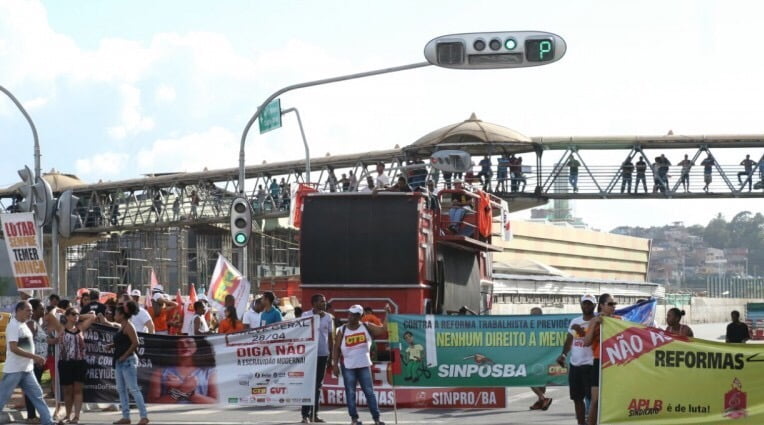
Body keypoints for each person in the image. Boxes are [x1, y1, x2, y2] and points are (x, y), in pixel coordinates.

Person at [332, 305, 387, 425]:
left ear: (360, 316)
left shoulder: (366, 326)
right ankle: (354, 419)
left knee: (369, 392)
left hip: (364, 365)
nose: (351, 316)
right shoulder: (342, 330)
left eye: (354, 314)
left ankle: (376, 419)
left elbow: (383, 330)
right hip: (348, 366)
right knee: (350, 392)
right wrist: (334, 365)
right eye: (350, 313)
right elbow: (336, 348)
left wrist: (388, 314)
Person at [0, 301, 53, 425]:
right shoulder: (13, 325)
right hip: (15, 370)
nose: (31, 313)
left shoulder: (24, 324)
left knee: (38, 395)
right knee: (2, 397)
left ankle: (48, 421)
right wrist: (35, 356)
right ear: (18, 311)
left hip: (27, 369)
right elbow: (14, 348)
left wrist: (33, 359)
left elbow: (26, 345)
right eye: (28, 310)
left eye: (31, 310)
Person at [47, 306, 98, 424]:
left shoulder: (80, 327)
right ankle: (67, 416)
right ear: (67, 316)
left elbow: (92, 316)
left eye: (77, 315)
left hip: (79, 362)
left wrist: (78, 315)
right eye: (73, 314)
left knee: (78, 390)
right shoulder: (61, 328)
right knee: (67, 391)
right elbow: (50, 315)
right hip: (65, 363)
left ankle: (76, 416)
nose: (76, 317)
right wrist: (59, 310)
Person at [104, 301, 149, 425]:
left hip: (128, 361)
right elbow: (123, 341)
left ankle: (144, 416)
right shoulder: (121, 326)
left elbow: (135, 343)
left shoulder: (129, 326)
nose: (114, 316)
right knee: (121, 390)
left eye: (116, 314)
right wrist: (111, 345)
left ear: (122, 315)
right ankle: (126, 416)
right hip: (119, 361)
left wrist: (124, 355)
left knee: (133, 389)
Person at [557, 295, 596, 425]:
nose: (587, 306)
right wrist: (563, 355)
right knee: (577, 398)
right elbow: (569, 340)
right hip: (575, 365)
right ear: (581, 305)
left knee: (592, 399)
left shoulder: (598, 321)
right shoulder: (575, 321)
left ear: (595, 305)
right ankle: (581, 423)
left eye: (589, 304)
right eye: (585, 303)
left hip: (591, 365)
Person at [584, 294, 620, 425]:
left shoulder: (619, 320)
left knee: (615, 399)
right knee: (595, 400)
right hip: (599, 361)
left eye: (614, 304)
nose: (613, 306)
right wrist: (594, 325)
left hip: (615, 362)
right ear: (601, 305)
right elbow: (586, 342)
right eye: (610, 304)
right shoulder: (594, 321)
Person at [148, 337, 218, 403]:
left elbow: (215, 402)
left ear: (197, 346)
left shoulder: (209, 372)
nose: (185, 346)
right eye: (180, 343)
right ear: (174, 347)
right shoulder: (159, 373)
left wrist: (181, 390)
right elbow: (152, 403)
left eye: (189, 342)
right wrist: (183, 390)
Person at [300, 294, 334, 423]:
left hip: (323, 355)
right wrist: (315, 318)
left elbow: (330, 337)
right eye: (321, 301)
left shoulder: (329, 318)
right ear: (313, 303)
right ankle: (305, 415)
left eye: (324, 302)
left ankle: (315, 414)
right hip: (309, 355)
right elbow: (302, 332)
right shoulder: (305, 315)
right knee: (308, 384)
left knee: (318, 385)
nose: (324, 304)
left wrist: (331, 355)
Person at [24, 299, 50, 424]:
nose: (43, 311)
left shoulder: (37, 323)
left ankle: (32, 415)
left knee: (35, 389)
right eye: (41, 308)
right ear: (33, 310)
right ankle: (31, 416)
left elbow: (42, 341)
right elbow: (28, 344)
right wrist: (35, 358)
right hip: (34, 363)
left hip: (38, 362)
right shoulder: (31, 324)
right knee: (33, 390)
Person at [528, 307, 552, 411]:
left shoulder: (545, 326)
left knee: (529, 379)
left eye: (534, 314)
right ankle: (540, 401)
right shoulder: (529, 327)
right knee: (538, 380)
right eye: (531, 314)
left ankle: (542, 398)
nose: (531, 316)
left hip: (543, 357)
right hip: (535, 357)